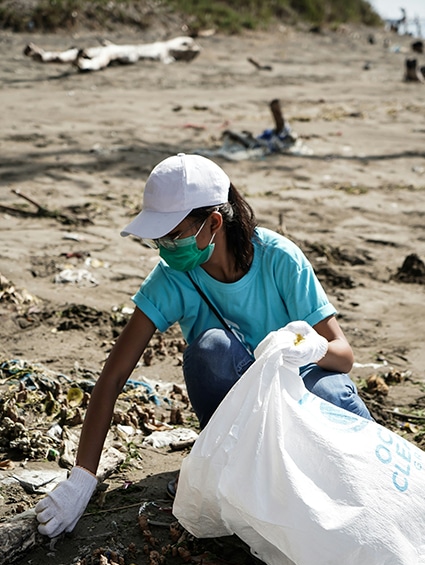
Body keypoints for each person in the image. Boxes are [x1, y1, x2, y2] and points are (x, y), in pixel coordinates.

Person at [35, 153, 372, 538]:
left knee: (332, 390)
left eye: (173, 235)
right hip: (238, 425)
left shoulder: (280, 260)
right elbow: (112, 378)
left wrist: (307, 347)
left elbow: (343, 356)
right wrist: (82, 479)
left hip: (300, 399)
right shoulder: (173, 279)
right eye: (158, 239)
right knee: (211, 349)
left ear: (213, 223)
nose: (165, 247)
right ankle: (235, 469)